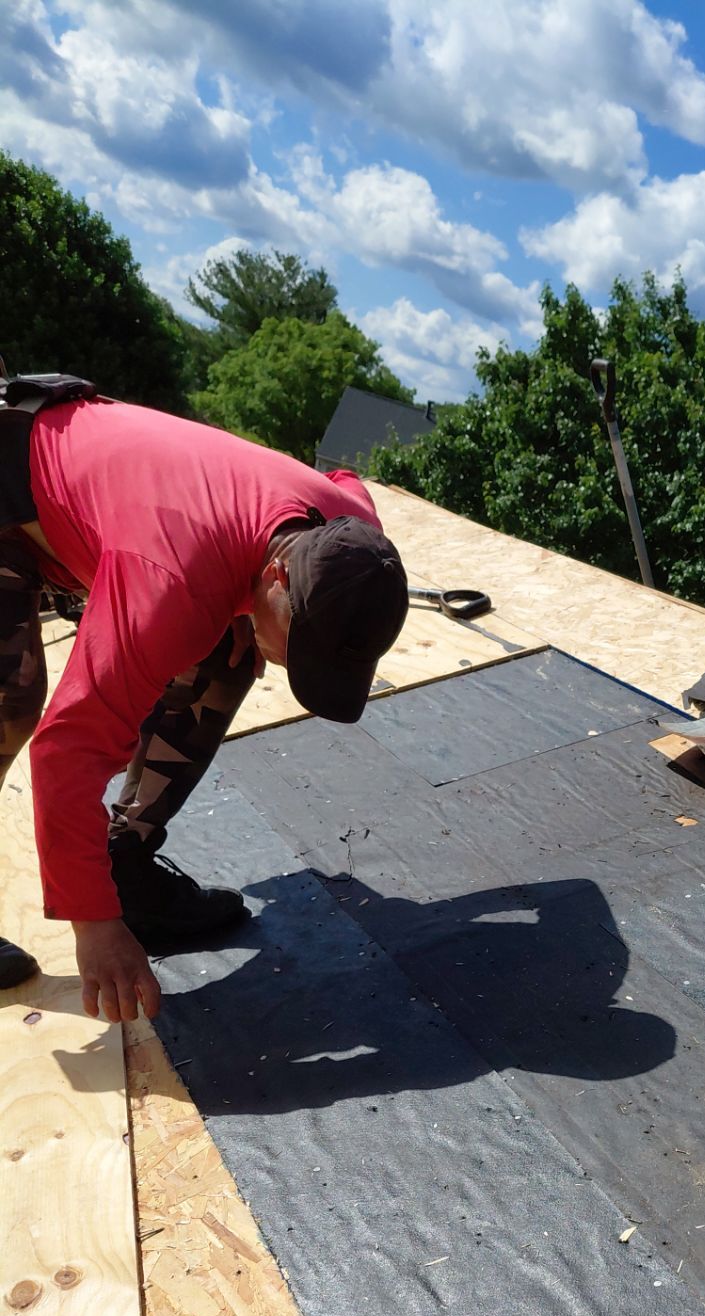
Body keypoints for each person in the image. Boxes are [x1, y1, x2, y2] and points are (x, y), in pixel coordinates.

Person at [0, 373, 408, 1022]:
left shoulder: (350, 535)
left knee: (232, 651)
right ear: (277, 573)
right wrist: (94, 925)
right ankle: (111, 897)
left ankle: (127, 864)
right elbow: (65, 753)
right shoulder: (170, 581)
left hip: (120, 497)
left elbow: (349, 481)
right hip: (12, 485)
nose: (294, 666)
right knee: (10, 702)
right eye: (300, 647)